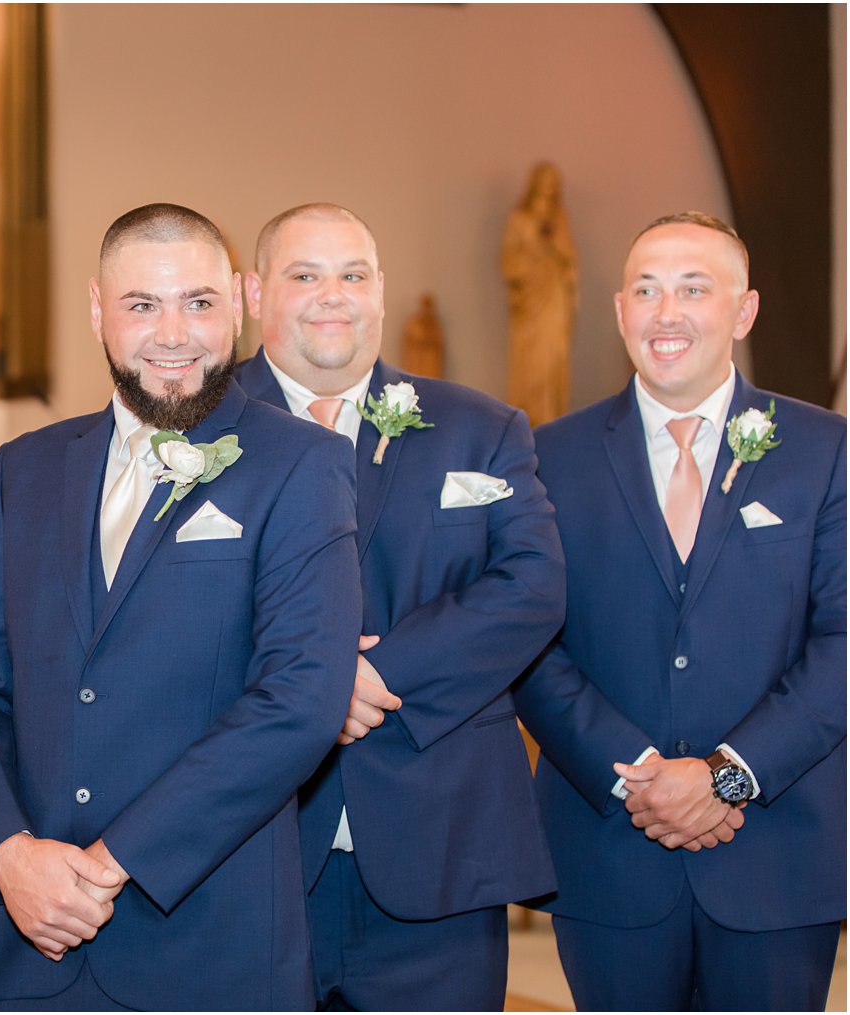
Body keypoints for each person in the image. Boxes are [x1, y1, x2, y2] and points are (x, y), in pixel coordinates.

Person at [0, 203, 362, 1011]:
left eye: (198, 302)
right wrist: (9, 853)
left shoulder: (302, 465)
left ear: (236, 301)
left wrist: (110, 861)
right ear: (99, 309)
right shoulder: (24, 469)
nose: (175, 333)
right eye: (142, 305)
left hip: (207, 943)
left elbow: (299, 699)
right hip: (28, 941)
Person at [235, 203, 566, 1010]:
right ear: (253, 292)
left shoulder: (479, 430)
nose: (332, 295)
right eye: (304, 275)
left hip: (442, 849)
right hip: (249, 854)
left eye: (352, 274)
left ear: (381, 289)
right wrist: (313, 686)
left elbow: (532, 585)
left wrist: (374, 673)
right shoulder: (197, 430)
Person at [514, 212, 846, 1010]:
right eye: (648, 290)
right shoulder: (543, 453)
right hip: (608, 851)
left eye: (694, 289)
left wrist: (729, 777)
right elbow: (528, 640)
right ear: (621, 310)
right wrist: (639, 778)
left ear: (743, 310)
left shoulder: (825, 449)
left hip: (778, 852)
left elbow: (843, 639)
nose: (667, 314)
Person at [502, 161, 578, 428]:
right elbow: (509, 262)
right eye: (544, 182)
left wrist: (554, 243)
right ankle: (530, 418)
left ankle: (552, 415)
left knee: (554, 355)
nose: (548, 189)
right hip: (531, 299)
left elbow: (570, 262)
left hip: (555, 295)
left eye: (553, 183)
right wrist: (532, 256)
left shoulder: (560, 220)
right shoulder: (520, 219)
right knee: (533, 363)